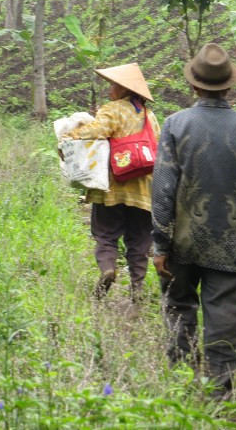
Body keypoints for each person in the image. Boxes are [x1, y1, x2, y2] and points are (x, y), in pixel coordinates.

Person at [151, 43, 236, 400]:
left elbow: (163, 187)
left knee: (179, 306)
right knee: (225, 316)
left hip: (184, 239)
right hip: (234, 242)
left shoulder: (176, 124)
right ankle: (220, 392)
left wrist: (160, 242)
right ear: (229, 86)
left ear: (194, 85)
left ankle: (183, 383)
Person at [63, 62, 161, 299]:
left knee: (106, 233)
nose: (110, 89)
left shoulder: (113, 109)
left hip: (114, 185)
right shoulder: (151, 116)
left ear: (124, 89)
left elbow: (95, 131)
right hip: (145, 189)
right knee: (139, 239)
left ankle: (108, 269)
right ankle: (137, 288)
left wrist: (69, 136)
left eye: (114, 85)